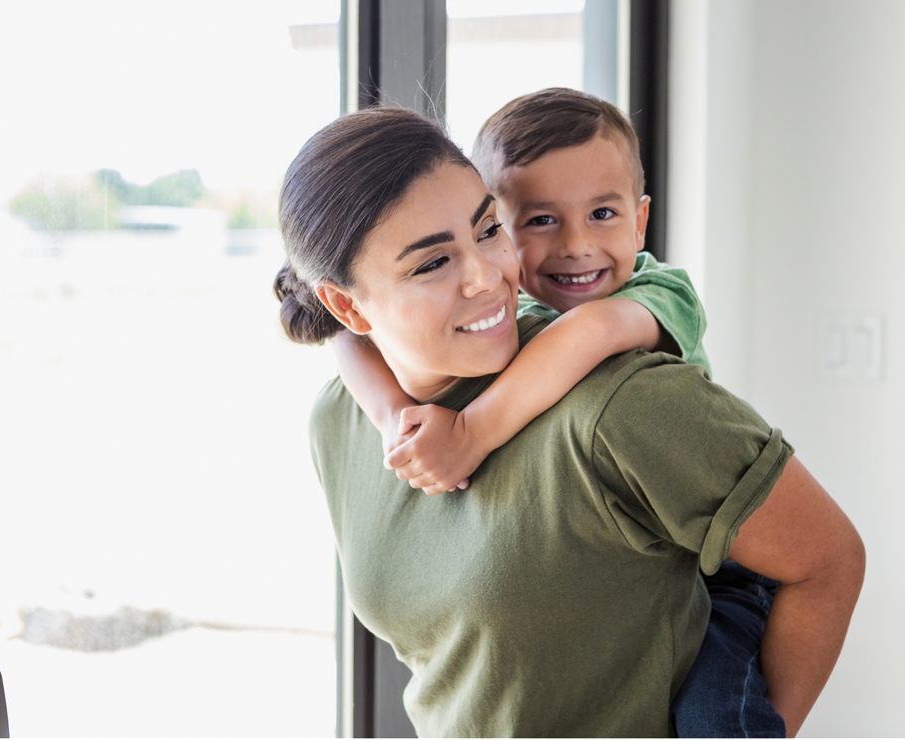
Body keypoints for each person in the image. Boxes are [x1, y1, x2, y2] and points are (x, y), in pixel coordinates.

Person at [276, 107, 864, 737]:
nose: (489, 276)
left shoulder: (621, 400)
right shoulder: (340, 419)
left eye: (485, 231)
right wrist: (392, 414)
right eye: (431, 263)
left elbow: (829, 560)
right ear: (344, 304)